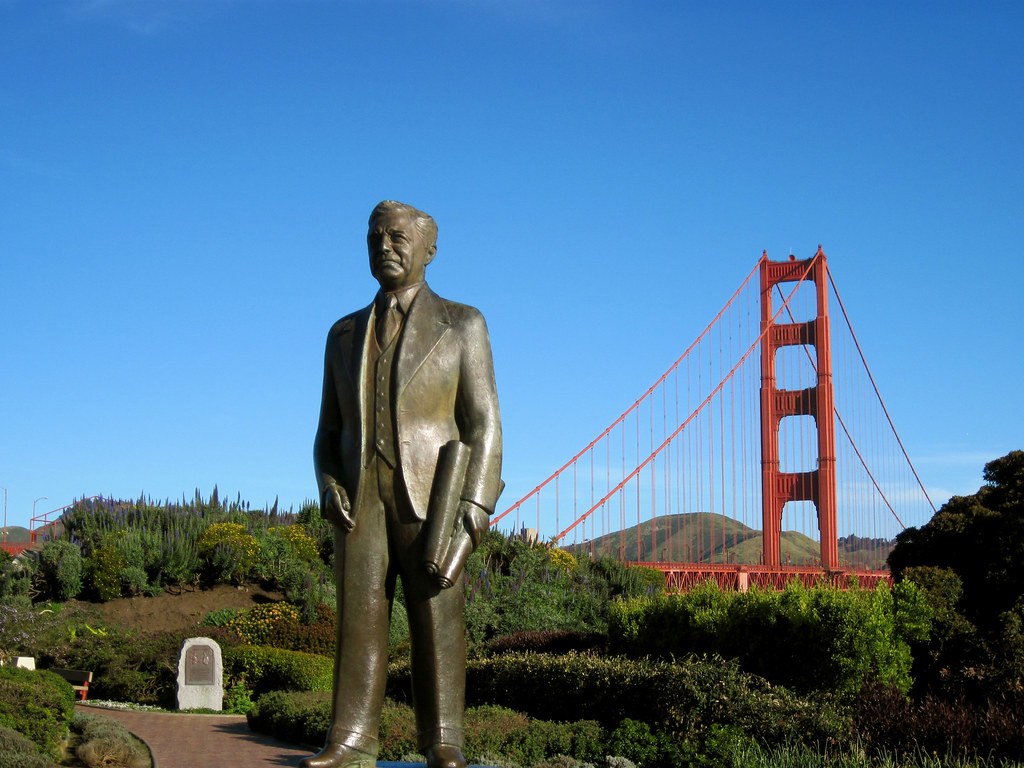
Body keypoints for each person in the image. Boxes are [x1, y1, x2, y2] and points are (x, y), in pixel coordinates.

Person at [303, 200, 503, 768]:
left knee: (437, 618)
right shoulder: (342, 334)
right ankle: (349, 738)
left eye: (396, 237)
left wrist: (474, 511)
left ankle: (443, 737)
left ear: (429, 250)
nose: (384, 247)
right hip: (359, 500)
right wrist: (325, 482)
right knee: (357, 620)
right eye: (374, 238)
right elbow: (326, 431)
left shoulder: (464, 324)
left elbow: (484, 426)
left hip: (433, 497)